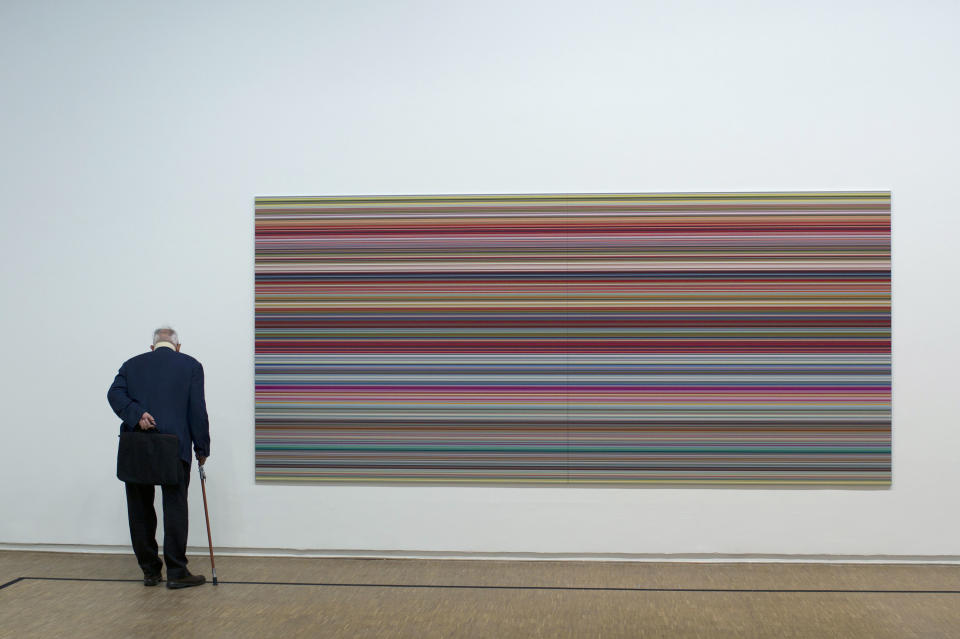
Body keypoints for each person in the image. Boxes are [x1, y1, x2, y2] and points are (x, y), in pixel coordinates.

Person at [107, 327, 211, 589]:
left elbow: (114, 394)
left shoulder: (131, 365)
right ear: (177, 346)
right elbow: (197, 410)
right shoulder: (190, 365)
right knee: (175, 507)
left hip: (137, 445)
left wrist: (137, 413)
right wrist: (202, 447)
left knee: (140, 510)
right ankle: (177, 572)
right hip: (173, 446)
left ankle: (150, 571)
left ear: (152, 346)